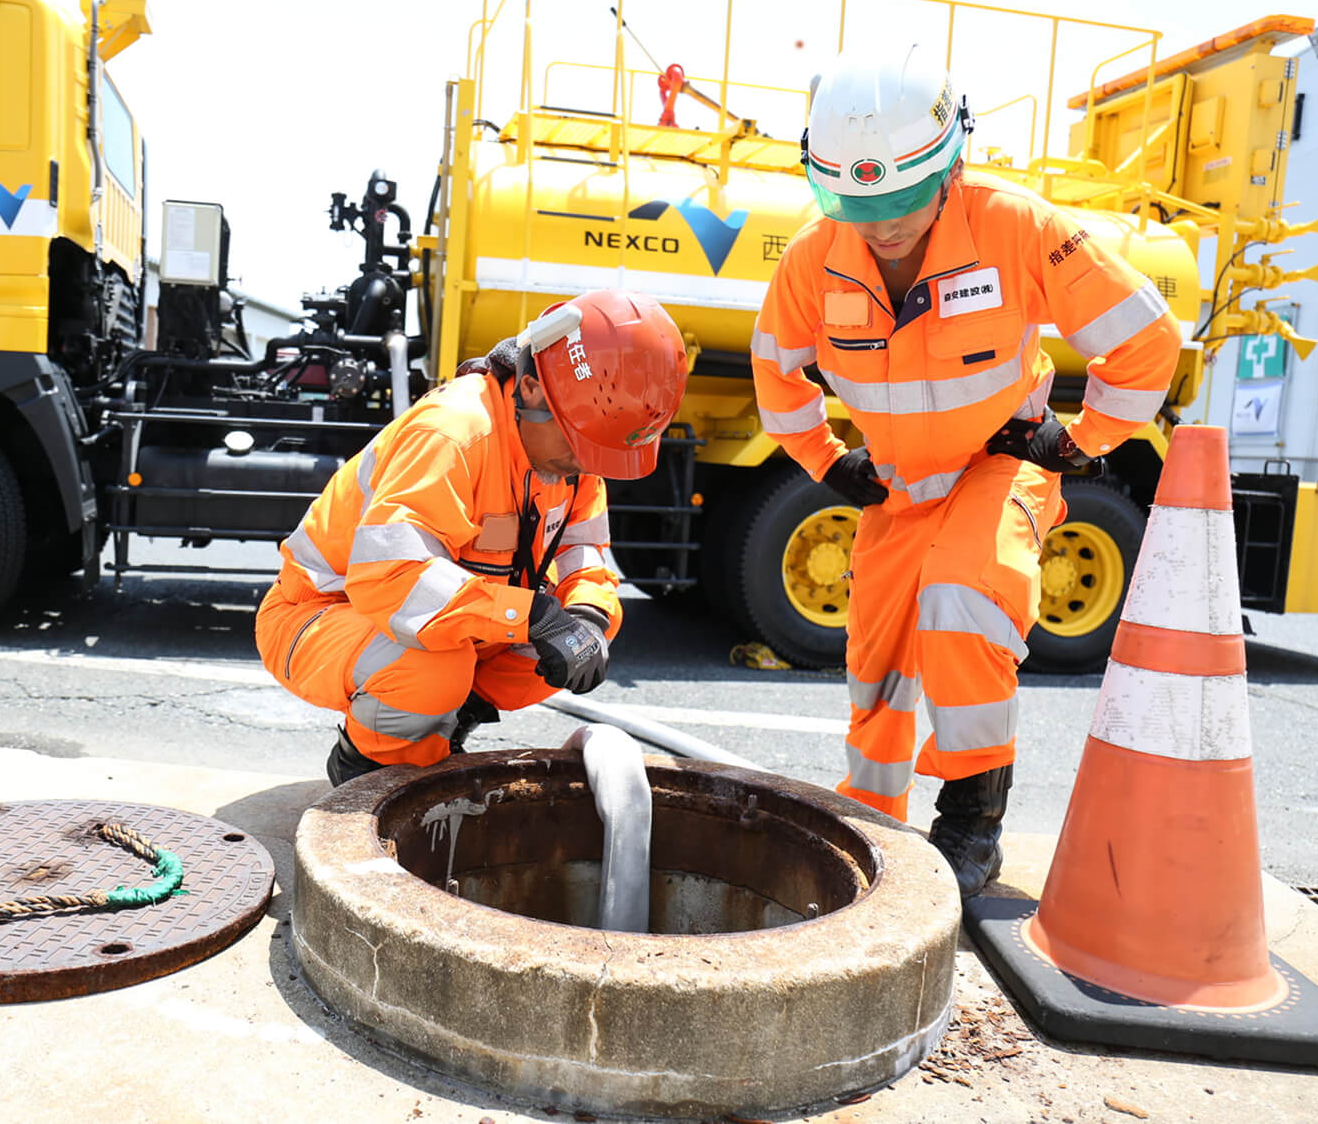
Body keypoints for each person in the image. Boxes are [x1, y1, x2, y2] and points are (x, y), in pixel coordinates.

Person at [751, 45, 1181, 897]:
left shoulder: (1016, 227)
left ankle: (971, 818)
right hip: (899, 492)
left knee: (962, 602)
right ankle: (872, 824)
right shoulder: (814, 258)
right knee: (874, 666)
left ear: (952, 161)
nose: (882, 222)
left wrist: (1083, 442)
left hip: (1000, 467)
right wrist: (827, 462)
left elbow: (1144, 336)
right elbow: (775, 369)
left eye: (903, 197)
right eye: (856, 200)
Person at [256, 288, 688, 786]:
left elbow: (582, 554)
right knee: (439, 669)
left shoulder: (569, 450)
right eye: (580, 447)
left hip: (428, 624)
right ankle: (368, 771)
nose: (586, 467)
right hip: (319, 615)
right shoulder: (453, 433)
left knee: (581, 631)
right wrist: (533, 618)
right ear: (530, 389)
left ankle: (441, 729)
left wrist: (586, 618)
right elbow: (393, 580)